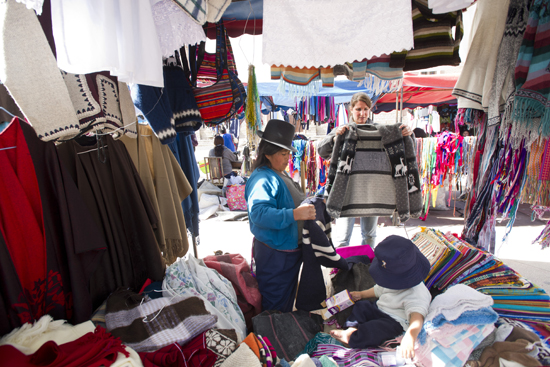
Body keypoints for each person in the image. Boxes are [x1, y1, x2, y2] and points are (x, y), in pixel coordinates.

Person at [316, 92, 413, 248]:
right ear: (351, 110)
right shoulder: (344, 130)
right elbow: (321, 150)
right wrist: (335, 139)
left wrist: (407, 134)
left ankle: (365, 268)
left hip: (372, 191)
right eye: (358, 109)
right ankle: (342, 270)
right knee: (342, 237)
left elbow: (402, 147)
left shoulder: (381, 131)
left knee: (369, 235)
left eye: (366, 109)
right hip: (346, 191)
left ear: (370, 110)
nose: (362, 113)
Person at [245, 119, 316, 312]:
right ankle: (270, 339)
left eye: (288, 154)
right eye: (283, 154)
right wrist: (295, 214)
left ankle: (277, 337)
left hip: (286, 252)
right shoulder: (262, 178)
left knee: (283, 303)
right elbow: (259, 214)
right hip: (275, 254)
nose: (288, 158)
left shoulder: (278, 173)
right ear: (267, 153)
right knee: (275, 305)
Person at [330, 235, 431, 359]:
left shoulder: (417, 293)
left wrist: (410, 336)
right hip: (379, 306)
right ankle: (351, 327)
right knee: (362, 307)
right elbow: (378, 290)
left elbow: (417, 319)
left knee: (374, 330)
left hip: (394, 321)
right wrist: (361, 294)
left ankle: (352, 337)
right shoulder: (392, 279)